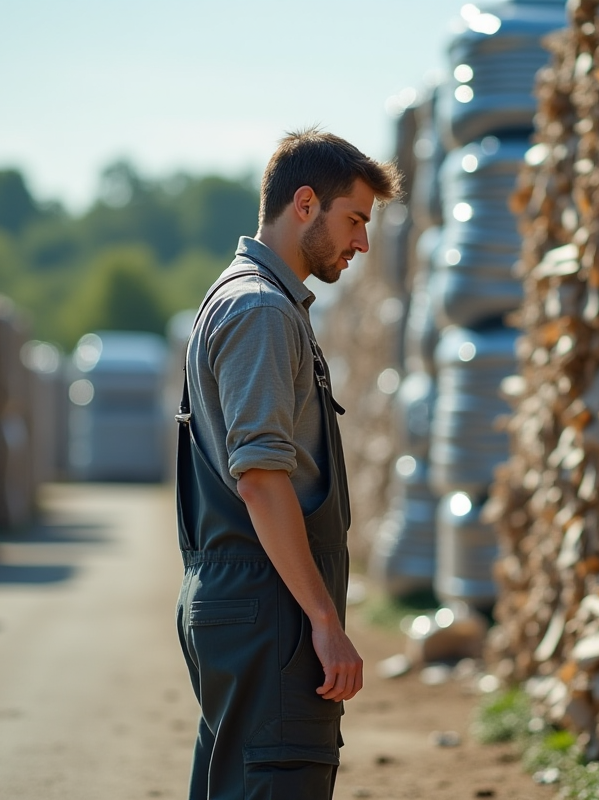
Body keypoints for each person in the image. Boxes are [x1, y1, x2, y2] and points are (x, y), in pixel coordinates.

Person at [174, 128, 401, 799]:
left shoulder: (242, 298)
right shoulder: (262, 311)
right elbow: (263, 478)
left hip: (250, 605)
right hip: (269, 612)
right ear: (305, 204)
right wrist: (325, 623)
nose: (362, 242)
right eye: (355, 219)